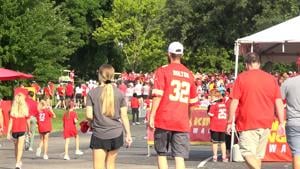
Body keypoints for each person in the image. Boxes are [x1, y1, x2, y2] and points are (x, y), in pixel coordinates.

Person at [226, 52, 285, 169]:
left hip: (248, 121)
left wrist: (229, 121)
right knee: (257, 157)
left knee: (246, 152)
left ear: (247, 64)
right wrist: (281, 122)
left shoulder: (242, 78)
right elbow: (278, 102)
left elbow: (234, 101)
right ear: (259, 63)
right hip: (266, 122)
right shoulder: (271, 79)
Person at [149, 41, 198, 169]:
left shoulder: (163, 70)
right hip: (181, 120)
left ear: (169, 54)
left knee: (161, 153)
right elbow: (193, 103)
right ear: (181, 55)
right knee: (179, 156)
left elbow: (158, 96)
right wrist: (190, 119)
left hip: (164, 118)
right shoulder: (189, 74)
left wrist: (152, 115)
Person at [86, 64, 132, 169]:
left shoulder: (92, 93)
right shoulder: (119, 93)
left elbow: (89, 115)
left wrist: (90, 121)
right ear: (112, 76)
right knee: (111, 165)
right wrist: (128, 134)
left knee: (98, 166)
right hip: (116, 133)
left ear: (100, 75)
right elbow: (124, 116)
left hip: (100, 133)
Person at [280, 70, 300, 169]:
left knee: (297, 153)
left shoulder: (288, 82)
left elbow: (278, 100)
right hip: (293, 122)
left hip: (294, 121)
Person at [6, 93, 30, 169]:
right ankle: (18, 162)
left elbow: (10, 122)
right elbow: (28, 121)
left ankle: (17, 161)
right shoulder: (25, 110)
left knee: (16, 148)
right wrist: (29, 130)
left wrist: (8, 133)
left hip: (14, 131)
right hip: (22, 130)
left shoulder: (13, 110)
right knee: (20, 148)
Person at [207, 90, 228, 162]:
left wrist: (209, 107)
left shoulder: (214, 104)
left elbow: (210, 114)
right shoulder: (224, 104)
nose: (211, 98)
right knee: (223, 142)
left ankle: (215, 156)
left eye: (212, 96)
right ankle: (224, 156)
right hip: (223, 125)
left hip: (215, 125)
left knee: (215, 142)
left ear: (215, 97)